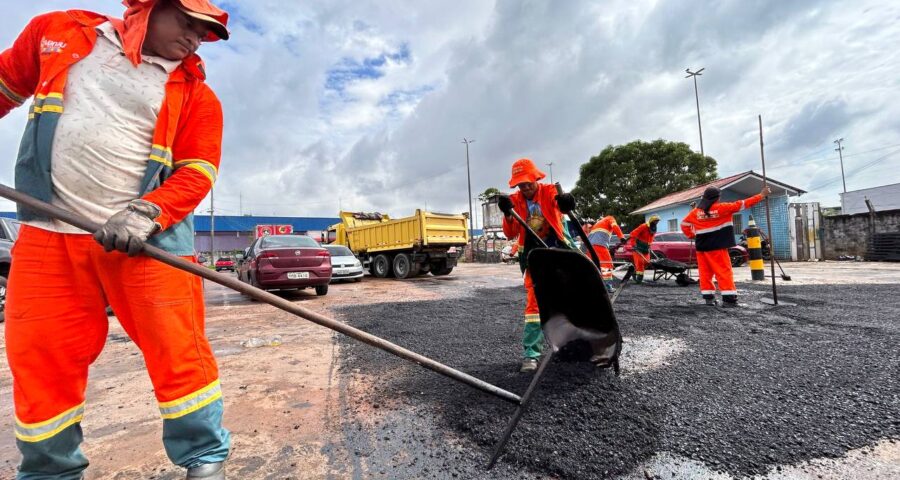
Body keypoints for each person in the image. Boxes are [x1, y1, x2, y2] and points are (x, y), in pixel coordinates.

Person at [0, 1, 232, 478]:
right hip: (50, 236)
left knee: (178, 351)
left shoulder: (197, 96)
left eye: (203, 33)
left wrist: (147, 211)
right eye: (186, 23)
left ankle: (205, 461)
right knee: (42, 357)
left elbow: (197, 171)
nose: (194, 38)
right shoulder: (57, 34)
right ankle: (50, 470)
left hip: (148, 242)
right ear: (149, 8)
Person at [497, 158, 575, 373]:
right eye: (521, 185)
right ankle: (531, 354)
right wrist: (507, 213)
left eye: (528, 183)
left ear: (535, 178)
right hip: (535, 256)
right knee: (534, 304)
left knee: (575, 293)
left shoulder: (549, 191)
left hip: (559, 249)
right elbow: (510, 233)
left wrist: (566, 203)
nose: (525, 188)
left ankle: (577, 344)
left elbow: (558, 204)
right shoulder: (515, 201)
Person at [681, 186, 770, 307]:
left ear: (705, 198)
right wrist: (761, 195)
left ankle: (709, 299)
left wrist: (691, 235)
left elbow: (684, 224)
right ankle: (729, 300)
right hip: (717, 248)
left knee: (705, 273)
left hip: (702, 248)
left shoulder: (696, 212)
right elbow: (744, 203)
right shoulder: (722, 208)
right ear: (717, 198)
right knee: (723, 272)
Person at [587, 215, 625, 293]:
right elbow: (615, 226)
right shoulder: (610, 218)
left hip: (589, 247)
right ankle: (608, 287)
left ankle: (590, 285)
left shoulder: (598, 223)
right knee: (607, 265)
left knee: (593, 266)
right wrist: (621, 237)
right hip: (599, 245)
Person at [628, 215, 660, 284]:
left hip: (646, 248)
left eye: (657, 221)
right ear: (651, 221)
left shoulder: (654, 228)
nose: (656, 222)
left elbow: (650, 238)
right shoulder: (644, 226)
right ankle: (639, 280)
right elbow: (633, 234)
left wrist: (649, 245)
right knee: (640, 262)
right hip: (638, 247)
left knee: (647, 262)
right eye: (655, 221)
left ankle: (634, 272)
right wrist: (633, 245)